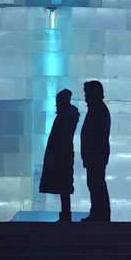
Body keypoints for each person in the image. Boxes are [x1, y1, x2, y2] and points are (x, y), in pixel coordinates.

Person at [39, 88, 79, 222]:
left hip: (61, 154)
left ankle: (65, 215)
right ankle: (65, 214)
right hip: (64, 153)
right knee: (64, 185)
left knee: (64, 185)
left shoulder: (64, 117)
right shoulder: (68, 116)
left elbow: (58, 138)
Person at [79, 80, 111, 222]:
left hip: (96, 154)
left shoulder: (98, 110)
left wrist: (89, 151)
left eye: (87, 93)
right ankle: (99, 213)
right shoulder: (97, 109)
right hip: (95, 153)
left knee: (96, 183)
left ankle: (100, 214)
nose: (85, 96)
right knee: (95, 183)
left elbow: (96, 134)